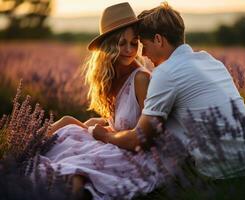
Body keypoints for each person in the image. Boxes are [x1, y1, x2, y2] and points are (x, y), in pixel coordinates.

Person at [92, 2, 245, 180]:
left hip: (223, 169)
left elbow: (139, 139)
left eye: (143, 45)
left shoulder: (165, 73)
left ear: (158, 40)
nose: (143, 54)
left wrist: (105, 136)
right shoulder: (211, 61)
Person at [38, 2, 161, 200]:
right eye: (122, 43)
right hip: (114, 142)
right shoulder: (113, 76)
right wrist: (102, 123)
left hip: (133, 154)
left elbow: (146, 136)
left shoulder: (140, 78)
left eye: (134, 42)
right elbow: (121, 118)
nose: (129, 50)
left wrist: (107, 134)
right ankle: (16, 149)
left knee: (74, 169)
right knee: (66, 123)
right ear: (109, 46)